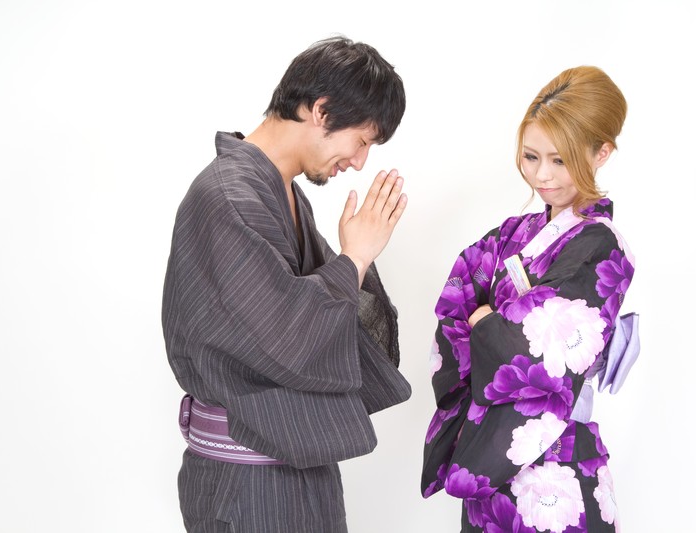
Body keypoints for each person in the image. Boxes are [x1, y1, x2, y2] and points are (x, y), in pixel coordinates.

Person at [162, 36, 412, 533]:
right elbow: (285, 336)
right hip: (245, 485)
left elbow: (332, 322)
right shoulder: (226, 196)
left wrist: (353, 263)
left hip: (296, 468)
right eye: (362, 140)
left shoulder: (286, 194)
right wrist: (354, 258)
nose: (359, 161)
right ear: (322, 110)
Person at [421, 66, 638, 532]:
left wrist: (487, 323)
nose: (542, 175)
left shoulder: (601, 244)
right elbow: (456, 297)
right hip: (493, 472)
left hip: (558, 468)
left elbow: (536, 348)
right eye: (531, 156)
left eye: (560, 160)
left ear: (601, 153)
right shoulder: (514, 234)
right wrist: (492, 322)